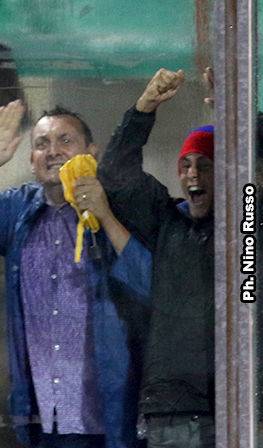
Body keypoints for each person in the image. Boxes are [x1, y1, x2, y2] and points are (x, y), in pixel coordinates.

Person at [0, 100, 145, 448]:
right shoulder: (18, 210)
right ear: (32, 161)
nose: (53, 152)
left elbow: (150, 283)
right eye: (42, 144)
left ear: (91, 153)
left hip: (112, 416)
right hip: (40, 419)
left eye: (66, 140)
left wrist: (106, 216)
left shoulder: (122, 207)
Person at [97, 68, 215, 448]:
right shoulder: (167, 222)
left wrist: (241, 117)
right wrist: (144, 108)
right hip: (171, 409)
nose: (193, 174)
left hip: (238, 404)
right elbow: (116, 174)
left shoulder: (246, 226)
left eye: (205, 165)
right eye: (186, 165)